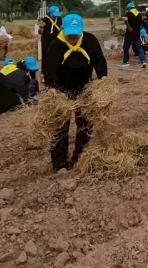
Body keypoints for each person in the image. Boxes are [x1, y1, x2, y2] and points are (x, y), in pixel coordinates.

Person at [46, 13, 108, 171]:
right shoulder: (55, 45)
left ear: (81, 29)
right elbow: (49, 68)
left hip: (84, 87)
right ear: (62, 29)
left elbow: (99, 60)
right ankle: (60, 163)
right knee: (60, 125)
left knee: (85, 121)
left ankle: (80, 156)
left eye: (76, 32)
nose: (73, 36)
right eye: (69, 33)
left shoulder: (90, 40)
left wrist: (102, 76)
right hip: (61, 90)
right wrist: (51, 86)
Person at [39, 5, 63, 86]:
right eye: (54, 14)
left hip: (56, 40)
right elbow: (40, 32)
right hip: (46, 41)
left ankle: (57, 72)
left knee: (56, 56)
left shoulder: (59, 18)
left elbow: (60, 28)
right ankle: (45, 74)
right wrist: (41, 28)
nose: (55, 16)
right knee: (46, 57)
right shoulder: (45, 19)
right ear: (50, 13)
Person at [120, 2, 147, 69]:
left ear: (129, 8)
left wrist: (129, 27)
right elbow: (141, 23)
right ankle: (143, 61)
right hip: (136, 33)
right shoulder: (138, 13)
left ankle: (126, 61)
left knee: (126, 47)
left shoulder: (129, 13)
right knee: (139, 48)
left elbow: (125, 20)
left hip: (129, 33)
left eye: (128, 8)